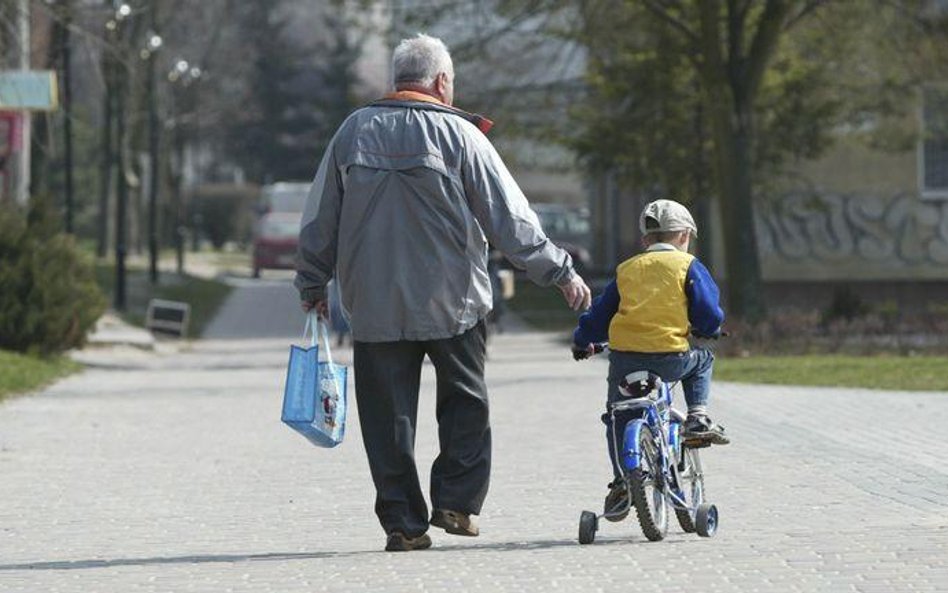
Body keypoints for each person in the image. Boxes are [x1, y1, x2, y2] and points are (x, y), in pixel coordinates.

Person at [295, 33, 591, 552]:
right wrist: (559, 271)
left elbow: (321, 216)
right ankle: (456, 501)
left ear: (397, 80)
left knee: (388, 418)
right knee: (466, 404)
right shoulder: (462, 137)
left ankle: (404, 525)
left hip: (374, 303)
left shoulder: (351, 132)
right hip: (452, 300)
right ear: (442, 82)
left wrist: (312, 281)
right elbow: (510, 219)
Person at [571, 199, 728, 521]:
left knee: (618, 414)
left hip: (626, 361)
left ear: (645, 240)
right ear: (685, 235)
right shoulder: (688, 266)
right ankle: (697, 416)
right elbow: (708, 311)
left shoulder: (627, 269)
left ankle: (621, 481)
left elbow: (600, 314)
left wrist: (583, 341)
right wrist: (710, 328)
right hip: (671, 357)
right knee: (702, 360)